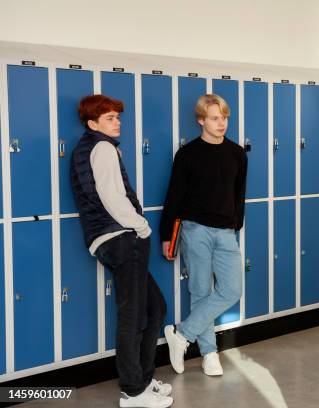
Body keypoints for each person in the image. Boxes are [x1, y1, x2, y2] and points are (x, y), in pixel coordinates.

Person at [70, 95, 172, 408]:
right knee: (133, 316)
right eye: (110, 118)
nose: (118, 122)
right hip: (121, 238)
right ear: (92, 124)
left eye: (118, 117)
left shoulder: (91, 148)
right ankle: (132, 391)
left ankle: (142, 379)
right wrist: (141, 226)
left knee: (154, 308)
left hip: (111, 239)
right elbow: (111, 197)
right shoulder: (102, 148)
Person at [160, 94, 247, 376]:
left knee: (231, 289)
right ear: (201, 120)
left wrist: (236, 225)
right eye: (214, 118)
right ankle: (210, 354)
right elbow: (174, 196)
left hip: (225, 232)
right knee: (200, 291)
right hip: (194, 229)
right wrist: (166, 235)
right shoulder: (187, 155)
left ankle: (182, 334)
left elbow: (239, 195)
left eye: (224, 118)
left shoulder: (237, 153)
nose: (221, 123)